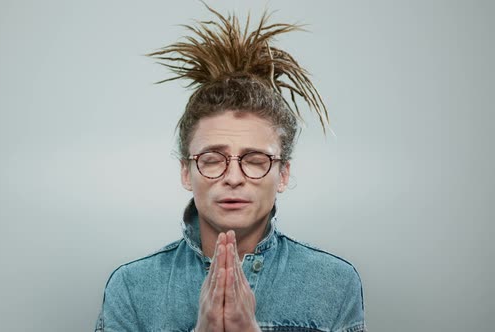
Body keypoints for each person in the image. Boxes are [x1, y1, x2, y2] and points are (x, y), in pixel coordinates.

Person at [95, 5, 366, 332]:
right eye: (212, 160)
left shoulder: (334, 284)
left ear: (283, 174)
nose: (234, 178)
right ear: (186, 172)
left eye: (255, 161)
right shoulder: (132, 288)